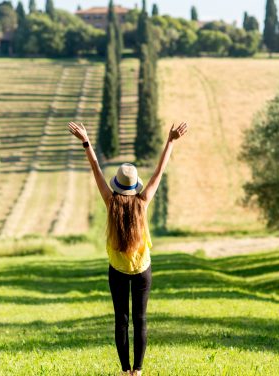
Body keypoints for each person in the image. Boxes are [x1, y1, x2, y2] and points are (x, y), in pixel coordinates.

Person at [67, 121, 188, 376]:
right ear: (135, 186)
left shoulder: (110, 202)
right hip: (142, 269)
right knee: (140, 319)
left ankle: (125, 371)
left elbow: (96, 169)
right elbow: (159, 172)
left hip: (118, 270)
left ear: (117, 185)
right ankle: (139, 371)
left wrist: (86, 141)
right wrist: (171, 141)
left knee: (121, 320)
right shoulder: (143, 202)